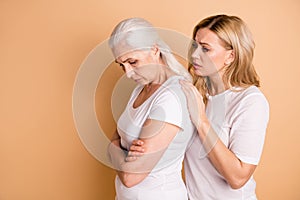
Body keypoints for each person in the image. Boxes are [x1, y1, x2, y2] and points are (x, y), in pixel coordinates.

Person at [179, 14, 270, 199]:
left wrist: (201, 121)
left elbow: (238, 178)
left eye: (205, 49)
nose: (195, 55)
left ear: (231, 56)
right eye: (195, 46)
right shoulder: (197, 93)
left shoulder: (250, 101)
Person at [107, 18, 195, 200]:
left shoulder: (171, 97)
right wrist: (117, 149)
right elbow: (115, 137)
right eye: (121, 65)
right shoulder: (140, 89)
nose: (128, 73)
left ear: (155, 50)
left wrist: (113, 148)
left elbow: (131, 177)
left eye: (133, 62)